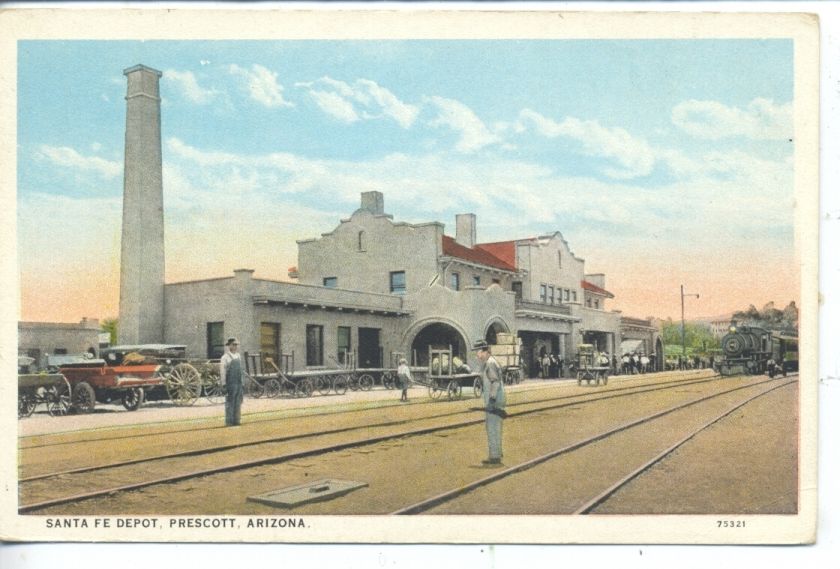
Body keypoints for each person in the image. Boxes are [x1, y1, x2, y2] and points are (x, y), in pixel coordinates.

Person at [474, 339, 506, 466]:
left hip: (495, 400)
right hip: (497, 398)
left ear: (484, 351)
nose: (477, 355)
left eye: (478, 352)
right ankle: (497, 452)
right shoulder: (490, 362)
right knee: (495, 426)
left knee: (492, 427)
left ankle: (494, 457)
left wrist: (491, 400)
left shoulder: (490, 363)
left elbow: (495, 382)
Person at [220, 337, 244, 426]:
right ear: (229, 346)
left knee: (238, 401)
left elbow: (240, 370)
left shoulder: (238, 356)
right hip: (230, 383)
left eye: (236, 345)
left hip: (238, 382)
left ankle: (237, 420)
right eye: (233, 345)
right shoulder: (225, 357)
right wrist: (223, 384)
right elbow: (223, 371)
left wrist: (242, 382)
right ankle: (229, 422)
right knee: (230, 402)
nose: (235, 347)